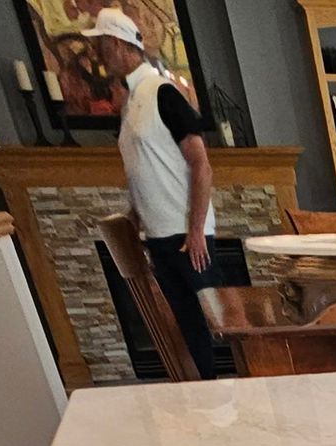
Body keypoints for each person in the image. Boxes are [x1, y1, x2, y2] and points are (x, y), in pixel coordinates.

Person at [84, 7, 217, 378]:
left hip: (188, 236)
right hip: (158, 235)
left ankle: (222, 398)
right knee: (187, 326)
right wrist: (135, 215)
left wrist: (196, 231)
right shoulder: (130, 103)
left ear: (117, 44)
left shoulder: (162, 92)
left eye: (101, 46)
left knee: (211, 323)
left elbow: (201, 164)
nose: (99, 56)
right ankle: (205, 397)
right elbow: (145, 169)